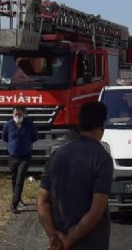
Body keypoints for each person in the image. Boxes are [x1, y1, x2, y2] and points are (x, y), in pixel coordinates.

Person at [37, 101, 113, 250]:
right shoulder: (102, 158)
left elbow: (42, 201)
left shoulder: (57, 155)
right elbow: (96, 210)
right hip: (93, 243)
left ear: (79, 123)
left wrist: (53, 236)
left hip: (60, 243)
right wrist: (70, 240)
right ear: (102, 126)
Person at [3, 106, 38, 214]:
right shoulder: (8, 125)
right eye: (16, 115)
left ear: (24, 115)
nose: (18, 116)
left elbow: (35, 137)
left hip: (25, 156)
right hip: (13, 156)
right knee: (14, 179)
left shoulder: (29, 125)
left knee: (20, 179)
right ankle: (18, 198)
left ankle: (14, 204)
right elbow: (4, 137)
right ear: (12, 115)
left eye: (20, 115)